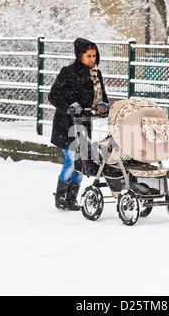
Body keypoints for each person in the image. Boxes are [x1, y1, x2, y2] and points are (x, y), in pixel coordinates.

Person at [49, 38, 109, 211]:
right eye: (88, 56)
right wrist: (70, 106)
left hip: (84, 124)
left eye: (94, 56)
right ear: (79, 55)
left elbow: (102, 97)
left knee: (81, 161)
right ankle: (60, 197)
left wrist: (103, 106)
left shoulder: (96, 75)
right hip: (65, 124)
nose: (92, 59)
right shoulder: (67, 72)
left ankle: (72, 198)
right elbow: (53, 95)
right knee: (72, 160)